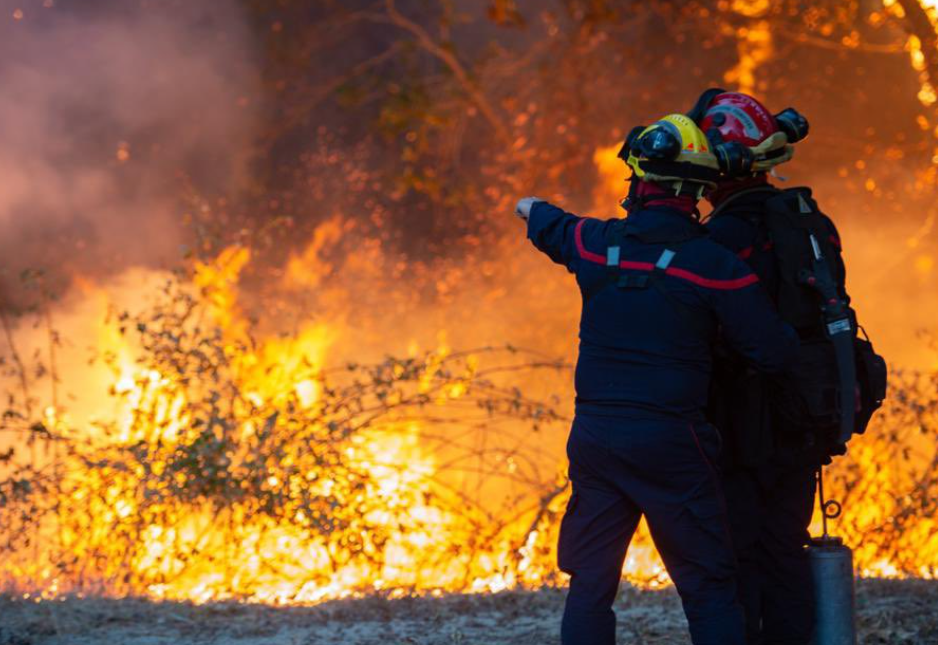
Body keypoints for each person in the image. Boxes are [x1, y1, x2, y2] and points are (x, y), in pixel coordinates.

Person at [515, 113, 799, 645]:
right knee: (710, 587)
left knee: (591, 585)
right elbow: (775, 350)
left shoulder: (596, 244)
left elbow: (538, 215)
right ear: (699, 189)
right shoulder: (713, 264)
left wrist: (528, 208)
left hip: (597, 439)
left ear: (639, 180)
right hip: (674, 444)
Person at [689, 89, 846, 645]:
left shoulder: (721, 237)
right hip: (804, 418)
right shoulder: (811, 222)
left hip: (742, 425)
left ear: (721, 167)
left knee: (737, 557)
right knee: (785, 548)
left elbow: (710, 333)